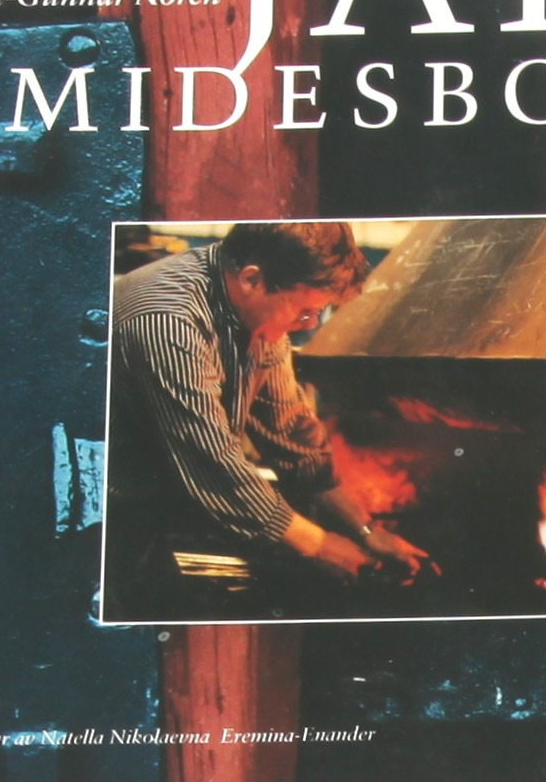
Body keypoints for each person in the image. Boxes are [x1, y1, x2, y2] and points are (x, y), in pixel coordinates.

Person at [102, 225, 429, 621]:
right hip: (98, 520)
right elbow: (212, 463)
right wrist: (318, 545)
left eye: (319, 311)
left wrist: (365, 531)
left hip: (146, 513)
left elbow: (291, 433)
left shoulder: (258, 314)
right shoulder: (169, 322)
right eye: (305, 310)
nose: (310, 324)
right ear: (252, 280)